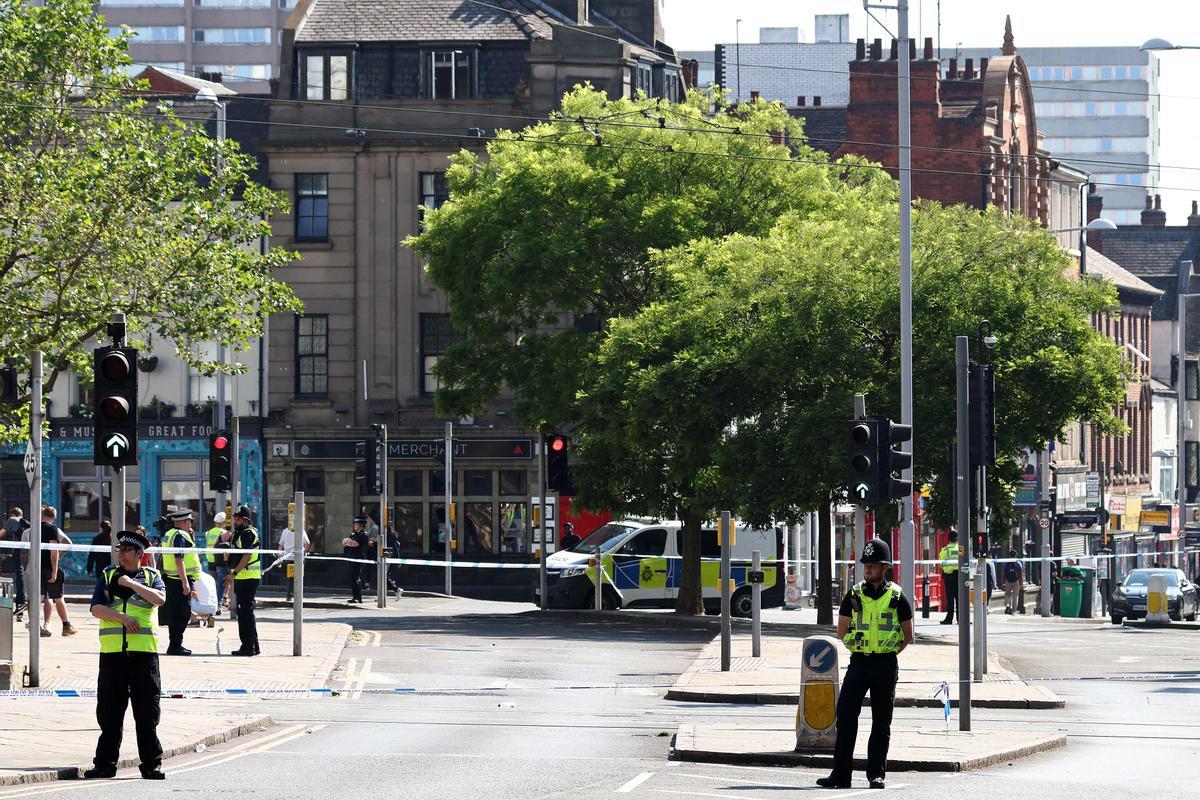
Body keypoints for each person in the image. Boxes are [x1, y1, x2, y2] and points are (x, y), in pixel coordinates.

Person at [817, 538, 914, 791]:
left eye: (872, 564)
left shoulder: (897, 596)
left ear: (885, 567)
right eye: (865, 564)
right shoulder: (854, 594)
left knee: (881, 723)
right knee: (846, 717)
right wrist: (858, 647)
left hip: (885, 665)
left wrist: (887, 651)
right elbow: (841, 630)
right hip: (858, 663)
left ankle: (876, 775)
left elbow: (908, 635)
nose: (867, 568)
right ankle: (840, 775)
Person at [83, 528, 167, 780]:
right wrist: (122, 618)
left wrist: (130, 584)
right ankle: (105, 764)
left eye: (126, 549)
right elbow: (96, 608)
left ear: (139, 553)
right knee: (109, 713)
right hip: (113, 654)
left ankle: (152, 764)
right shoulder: (107, 575)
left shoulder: (153, 576)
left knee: (147, 713)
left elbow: (160, 599)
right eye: (119, 549)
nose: (120, 553)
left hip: (144, 655)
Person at [24, 506, 77, 637]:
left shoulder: (29, 531)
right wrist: (56, 567)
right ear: (54, 517)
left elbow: (23, 552)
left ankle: (34, 624)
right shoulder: (53, 529)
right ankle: (66, 625)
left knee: (35, 597)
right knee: (57, 597)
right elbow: (56, 551)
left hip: (34, 567)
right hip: (49, 568)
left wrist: (26, 566)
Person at [160, 509, 201, 656]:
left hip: (172, 579)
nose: (191, 523)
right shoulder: (179, 536)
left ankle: (175, 644)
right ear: (184, 522)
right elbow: (179, 559)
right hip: (178, 581)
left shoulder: (170, 534)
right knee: (182, 614)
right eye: (190, 521)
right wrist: (185, 583)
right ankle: (175, 645)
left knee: (175, 614)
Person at [224, 506, 261, 656]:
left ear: (246, 520)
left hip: (247, 577)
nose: (235, 521)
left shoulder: (247, 533)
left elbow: (246, 556)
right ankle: (253, 646)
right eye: (234, 518)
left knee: (245, 613)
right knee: (246, 612)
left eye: (238, 518)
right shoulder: (240, 533)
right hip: (243, 577)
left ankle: (247, 647)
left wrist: (234, 574)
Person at [1, 507, 27, 620]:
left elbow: (2, 533)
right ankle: (21, 606)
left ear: (13, 514)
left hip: (19, 551)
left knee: (19, 576)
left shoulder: (13, 519)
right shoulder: (25, 524)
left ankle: (21, 603)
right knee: (26, 576)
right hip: (29, 551)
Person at [277, 522, 311, 601]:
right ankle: (297, 595)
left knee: (290, 577)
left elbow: (280, 545)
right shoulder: (300, 530)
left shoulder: (285, 531)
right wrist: (304, 553)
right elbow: (307, 543)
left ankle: (289, 595)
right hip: (298, 558)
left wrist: (279, 557)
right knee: (298, 577)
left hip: (287, 557)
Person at [204, 512, 228, 610]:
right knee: (221, 584)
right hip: (220, 561)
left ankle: (211, 605)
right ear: (224, 522)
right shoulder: (223, 532)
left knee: (211, 585)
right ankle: (218, 605)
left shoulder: (208, 532)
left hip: (210, 560)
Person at [342, 516, 369, 604]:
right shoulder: (353, 535)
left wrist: (348, 542)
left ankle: (358, 597)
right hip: (351, 558)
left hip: (359, 559)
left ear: (361, 525)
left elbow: (355, 544)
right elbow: (344, 542)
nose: (354, 525)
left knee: (356, 577)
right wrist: (348, 542)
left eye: (356, 524)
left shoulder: (363, 535)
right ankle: (354, 597)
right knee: (352, 578)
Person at [938, 530, 961, 625]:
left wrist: (946, 568)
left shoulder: (945, 550)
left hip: (949, 577)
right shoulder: (961, 548)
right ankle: (961, 618)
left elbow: (940, 563)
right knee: (960, 599)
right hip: (960, 577)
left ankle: (949, 619)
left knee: (950, 599)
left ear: (949, 540)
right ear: (957, 539)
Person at [1003, 549, 1025, 614]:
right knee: (1015, 596)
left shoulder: (1006, 563)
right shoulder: (1018, 563)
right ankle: (1014, 610)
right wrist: (1021, 583)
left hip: (1008, 580)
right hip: (1016, 581)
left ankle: (1008, 606)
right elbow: (1020, 574)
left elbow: (1003, 573)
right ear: (1015, 555)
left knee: (1007, 594)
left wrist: (1003, 582)